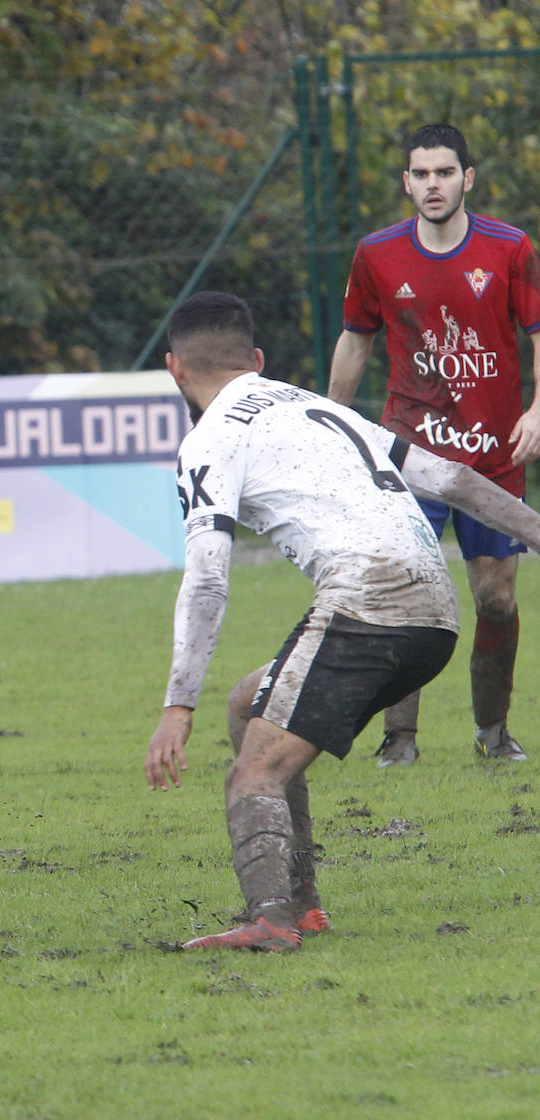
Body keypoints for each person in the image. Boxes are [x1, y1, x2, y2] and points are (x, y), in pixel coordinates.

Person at [145, 291, 540, 952]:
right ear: (259, 360)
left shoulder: (207, 441)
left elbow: (210, 574)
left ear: (175, 368)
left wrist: (177, 706)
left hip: (368, 604)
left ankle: (271, 920)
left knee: (254, 774)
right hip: (435, 616)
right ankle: (302, 904)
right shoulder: (317, 405)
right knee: (250, 706)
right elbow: (455, 480)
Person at [327, 122, 540, 766]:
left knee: (495, 597)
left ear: (467, 178)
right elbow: (356, 338)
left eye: (444, 172)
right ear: (406, 182)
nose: (432, 184)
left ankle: (493, 734)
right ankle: (400, 740)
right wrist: (332, 424)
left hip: (492, 455)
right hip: (409, 456)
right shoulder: (377, 254)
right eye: (420, 174)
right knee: (406, 589)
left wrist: (538, 408)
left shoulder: (510, 248)